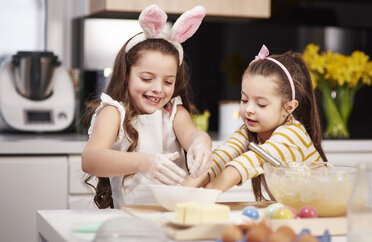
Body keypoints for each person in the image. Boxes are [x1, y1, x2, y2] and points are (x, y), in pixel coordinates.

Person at [82, 4, 212, 209]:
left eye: (168, 82)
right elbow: (91, 159)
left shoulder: (174, 113)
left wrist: (202, 141)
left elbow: (193, 136)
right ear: (126, 75)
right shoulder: (114, 113)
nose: (158, 89)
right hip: (128, 220)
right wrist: (144, 163)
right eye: (146, 78)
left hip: (173, 217)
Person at [183, 45, 327, 200]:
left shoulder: (292, 134)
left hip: (324, 211)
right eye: (244, 100)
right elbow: (221, 157)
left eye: (261, 104)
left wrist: (204, 195)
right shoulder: (249, 132)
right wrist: (182, 191)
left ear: (288, 107)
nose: (249, 109)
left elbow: (248, 162)